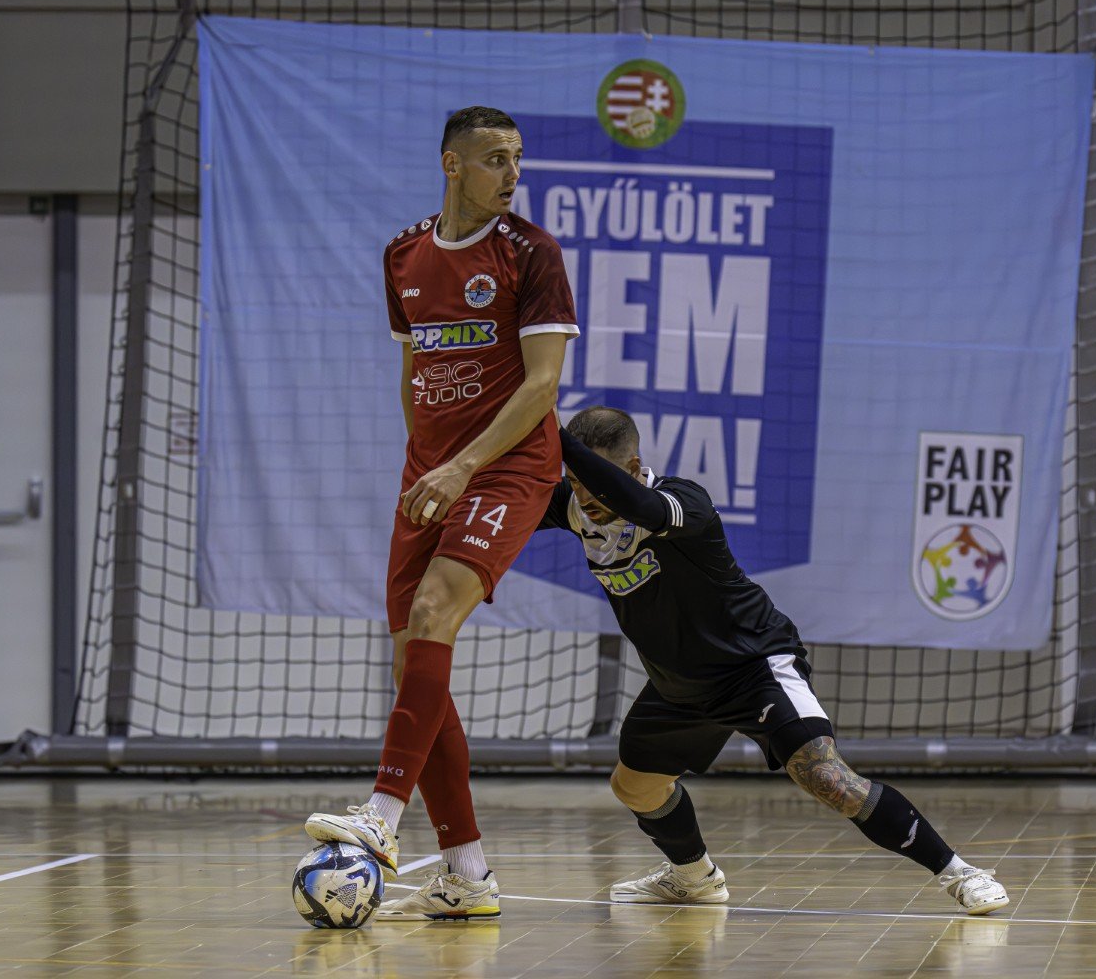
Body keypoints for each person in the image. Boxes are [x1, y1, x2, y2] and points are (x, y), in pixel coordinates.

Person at [534, 406, 1009, 915]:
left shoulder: (681, 500)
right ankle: (694, 878)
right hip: (681, 685)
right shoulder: (575, 507)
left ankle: (961, 873)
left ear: (632, 467)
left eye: (594, 481)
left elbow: (642, 509)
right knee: (635, 784)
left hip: (753, 666)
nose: (585, 495)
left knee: (828, 778)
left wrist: (559, 435)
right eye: (575, 482)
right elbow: (500, 501)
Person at [304, 107, 577, 922]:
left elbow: (542, 387)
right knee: (411, 666)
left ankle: (381, 822)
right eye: (495, 159)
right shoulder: (403, 253)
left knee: (433, 613)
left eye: (517, 159)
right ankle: (467, 873)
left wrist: (465, 465)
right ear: (452, 164)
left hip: (508, 467)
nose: (512, 172)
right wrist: (429, 462)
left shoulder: (532, 254)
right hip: (433, 472)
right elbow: (416, 367)